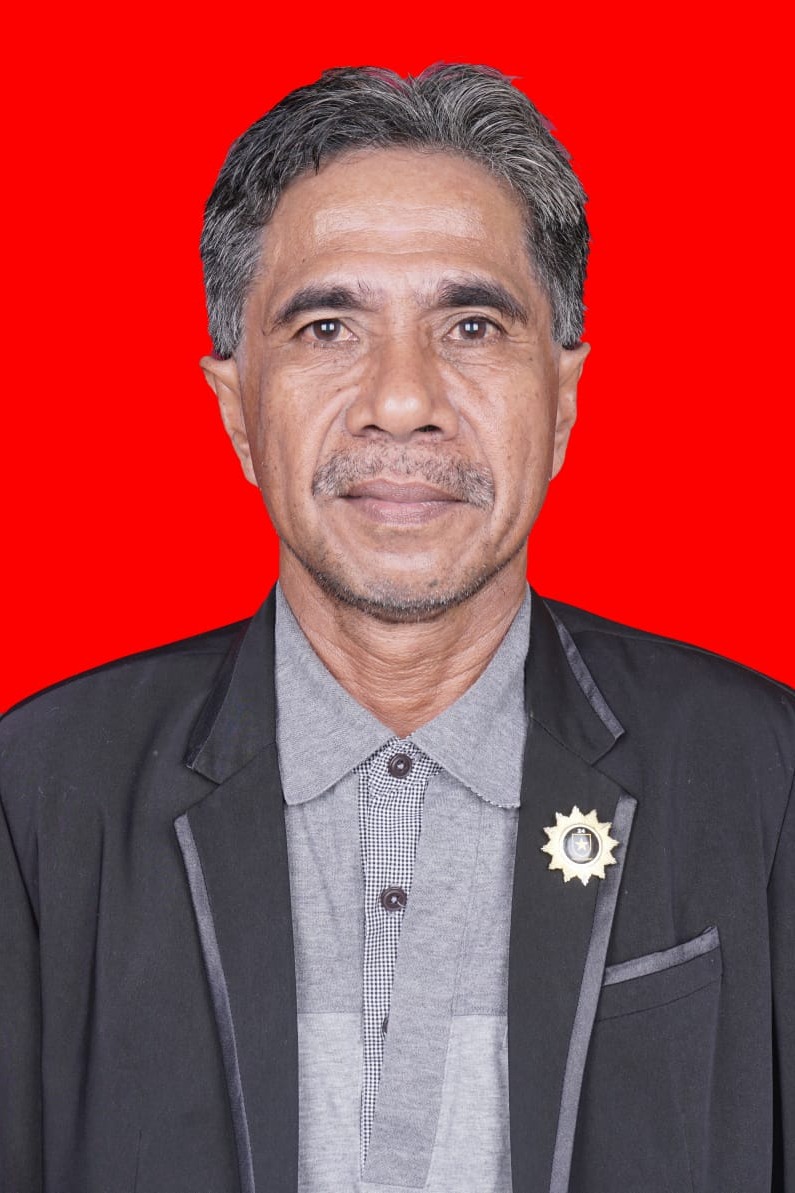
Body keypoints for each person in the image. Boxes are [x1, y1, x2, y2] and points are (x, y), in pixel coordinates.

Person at [0, 64, 792, 1193]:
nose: (404, 399)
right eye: (328, 327)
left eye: (471, 324)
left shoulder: (762, 778)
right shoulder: (41, 796)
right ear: (236, 409)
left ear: (562, 399)